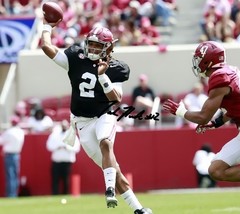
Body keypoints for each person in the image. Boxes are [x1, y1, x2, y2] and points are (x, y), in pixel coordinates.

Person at [41, 18, 152, 213]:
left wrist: (102, 76)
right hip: (81, 123)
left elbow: (115, 98)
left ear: (108, 49)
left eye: (97, 45)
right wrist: (46, 27)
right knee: (115, 171)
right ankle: (139, 209)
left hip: (104, 114)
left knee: (105, 143)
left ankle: (109, 190)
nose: (92, 49)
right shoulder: (76, 57)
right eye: (90, 44)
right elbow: (47, 47)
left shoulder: (116, 68)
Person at [163, 41, 240, 196]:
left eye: (199, 59)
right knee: (216, 170)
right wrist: (215, 123)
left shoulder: (219, 76)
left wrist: (181, 112)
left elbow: (203, 116)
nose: (197, 63)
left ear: (208, 60)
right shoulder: (230, 71)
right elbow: (234, 108)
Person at [46, 120, 81, 195]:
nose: (64, 127)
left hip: (67, 161)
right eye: (62, 125)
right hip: (56, 160)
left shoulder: (72, 135)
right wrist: (57, 147)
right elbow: (49, 145)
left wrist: (67, 148)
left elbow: (77, 148)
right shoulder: (54, 134)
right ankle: (55, 194)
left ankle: (65, 193)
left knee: (66, 179)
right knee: (55, 179)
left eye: (65, 125)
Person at [0, 115, 25, 197]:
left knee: (10, 176)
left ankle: (11, 195)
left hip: (9, 155)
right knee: (15, 175)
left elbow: (1, 141)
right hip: (17, 155)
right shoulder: (21, 132)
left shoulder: (9, 132)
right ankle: (14, 193)